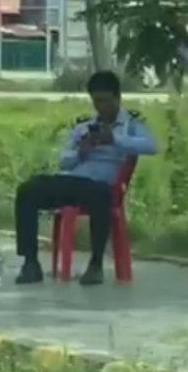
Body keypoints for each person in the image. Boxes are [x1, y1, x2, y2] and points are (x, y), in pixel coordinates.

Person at [14, 71, 157, 287]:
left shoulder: (131, 124)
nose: (101, 107)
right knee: (28, 191)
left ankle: (96, 265)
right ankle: (30, 262)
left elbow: (151, 146)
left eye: (105, 101)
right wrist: (81, 151)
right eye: (96, 101)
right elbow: (64, 162)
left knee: (100, 195)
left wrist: (114, 139)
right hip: (73, 180)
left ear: (117, 98)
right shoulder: (83, 126)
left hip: (103, 185)